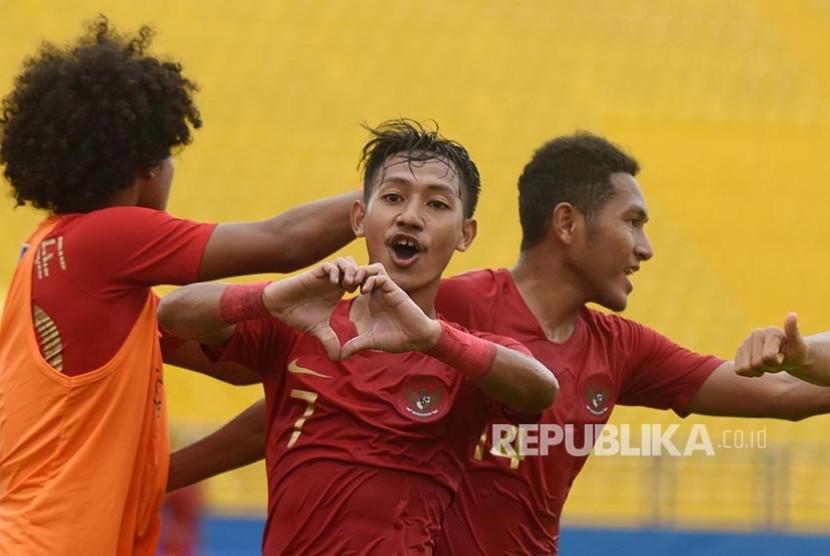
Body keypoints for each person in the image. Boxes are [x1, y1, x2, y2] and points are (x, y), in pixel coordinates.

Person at [167, 131, 830, 555]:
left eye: (433, 203)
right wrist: (166, 477)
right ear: (567, 224)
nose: (646, 248)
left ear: (466, 228)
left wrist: (802, 355)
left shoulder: (619, 349)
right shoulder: (439, 299)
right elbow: (315, 400)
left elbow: (785, 396)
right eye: (633, 223)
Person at [0, 16, 359, 555]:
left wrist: (323, 368)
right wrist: (398, 186)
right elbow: (285, 241)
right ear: (145, 164)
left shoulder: (67, 263)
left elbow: (248, 374)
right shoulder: (106, 238)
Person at [156, 119, 559, 554]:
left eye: (437, 205)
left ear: (466, 234)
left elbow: (540, 389)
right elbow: (175, 314)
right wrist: (270, 296)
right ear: (360, 217)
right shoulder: (305, 321)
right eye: (392, 197)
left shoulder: (460, 352)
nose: (410, 216)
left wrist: (430, 337)